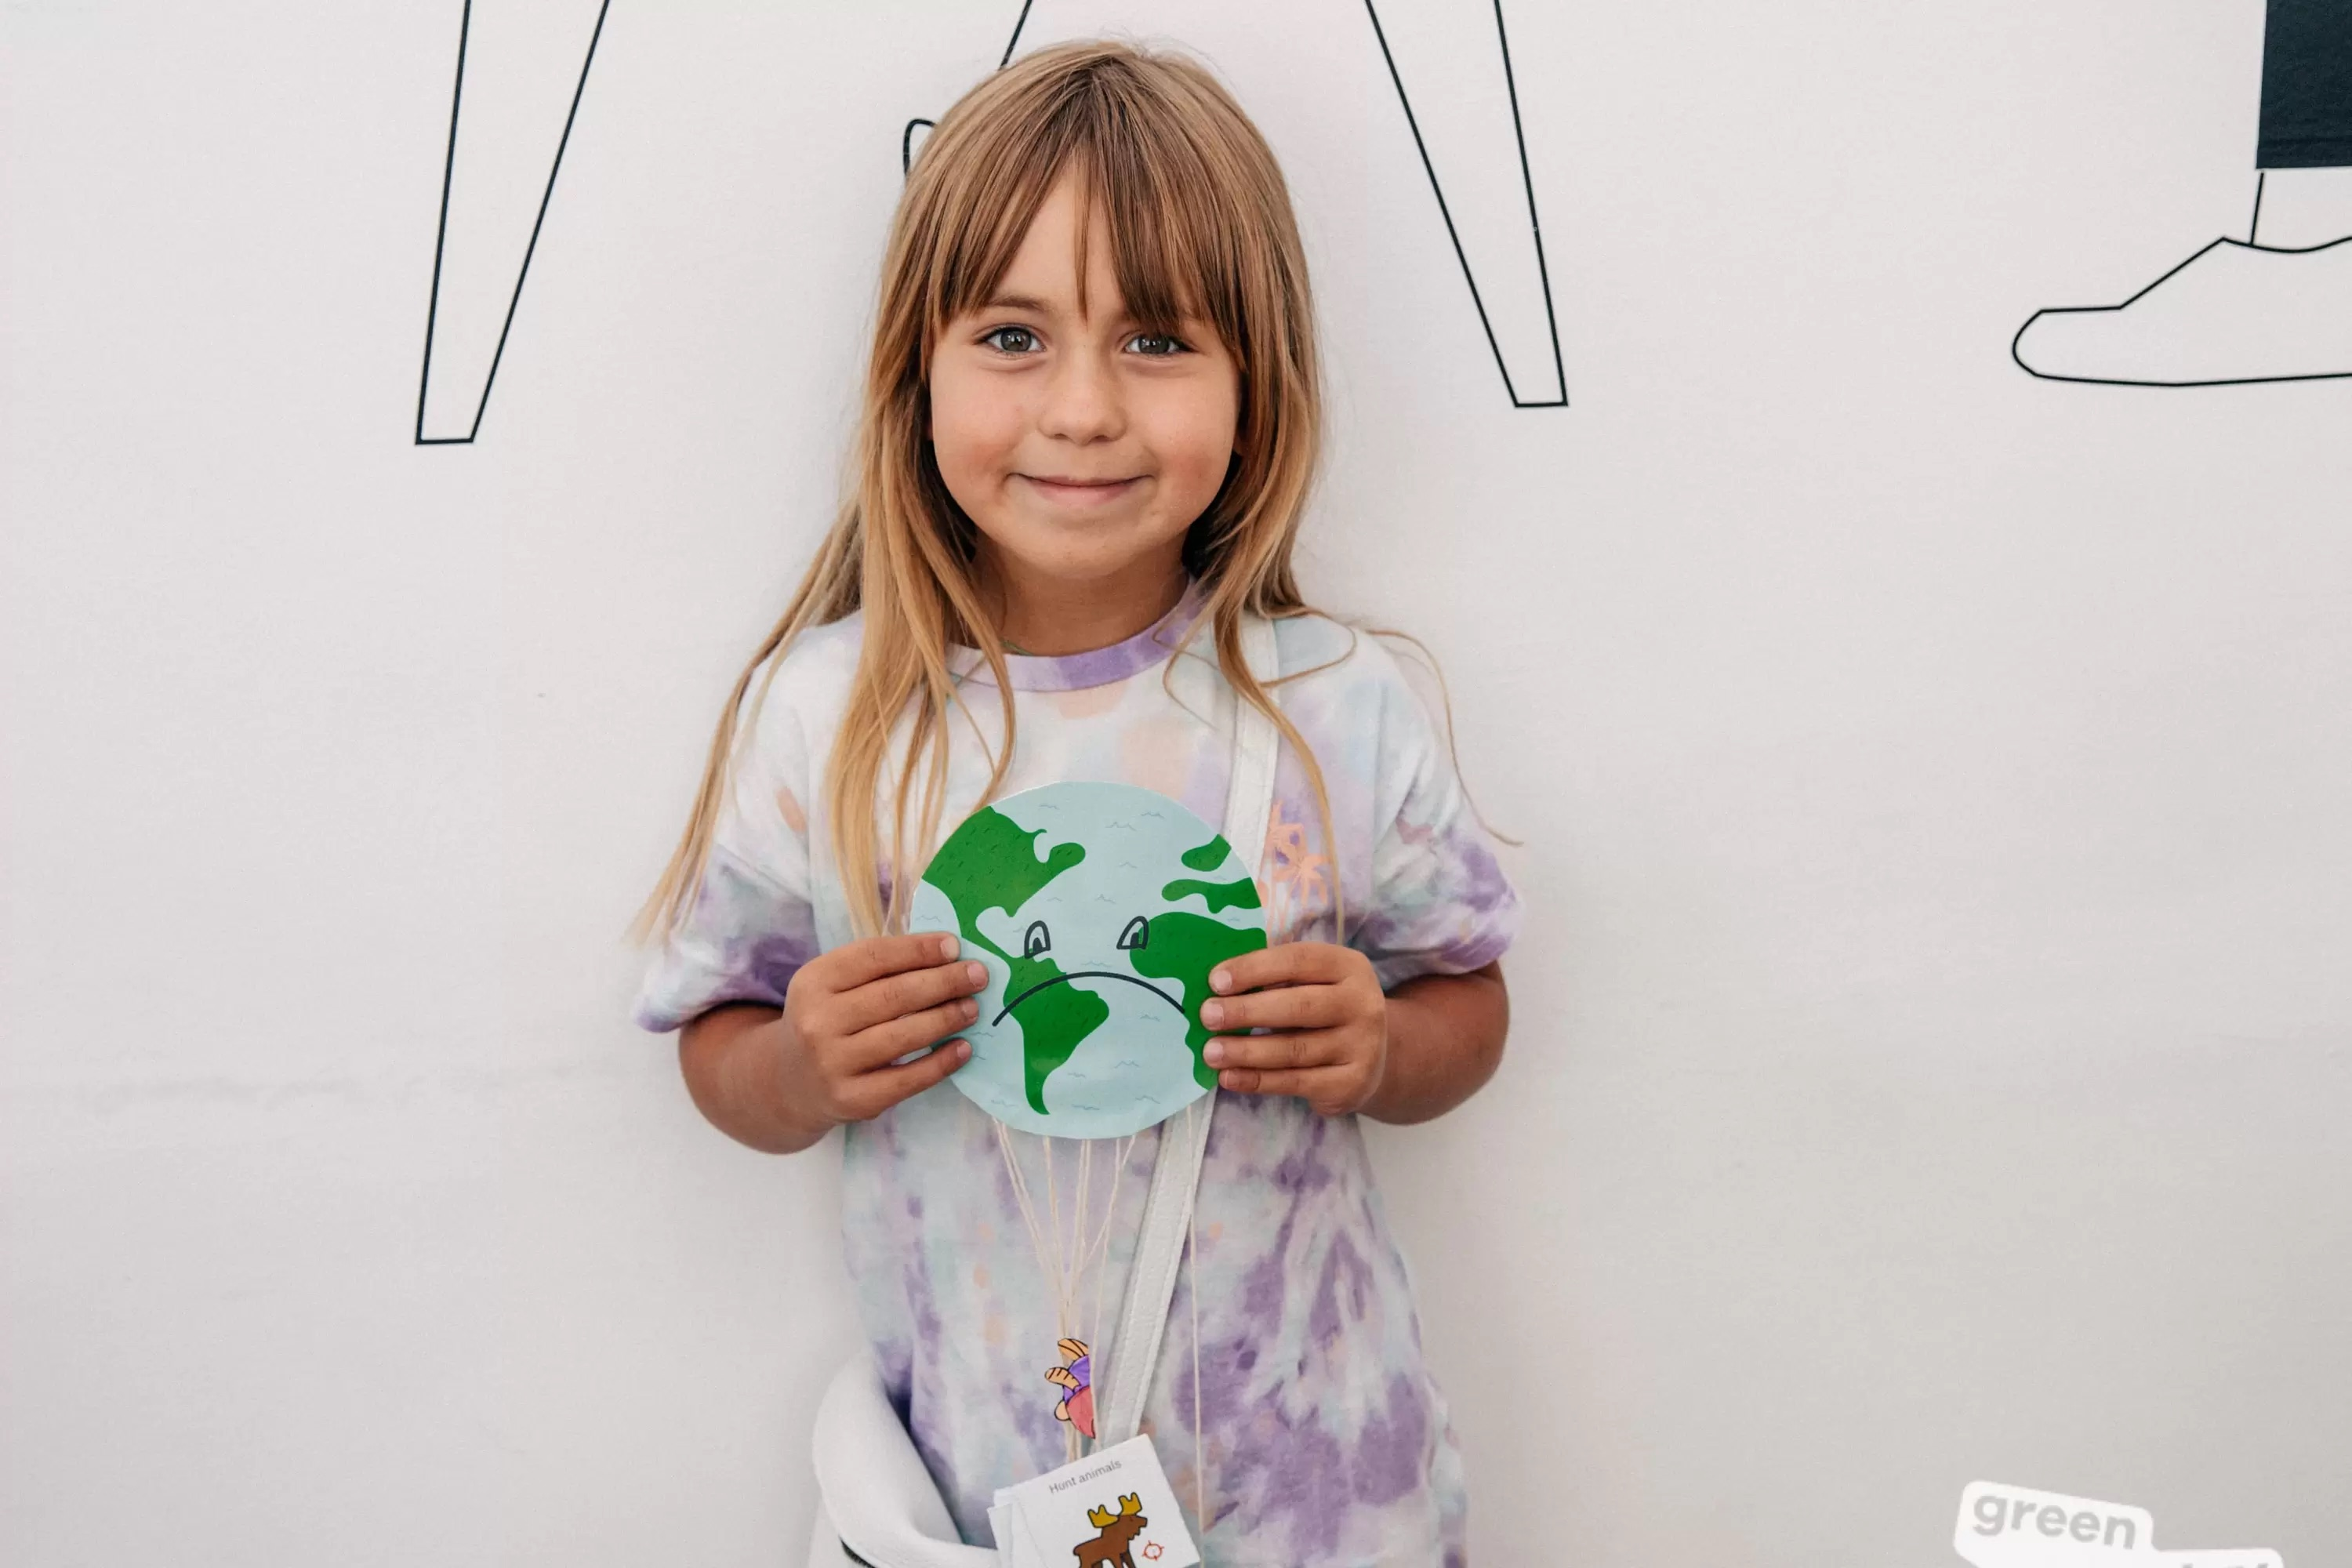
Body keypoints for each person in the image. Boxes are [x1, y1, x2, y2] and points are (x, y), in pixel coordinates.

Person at [629, 39, 1520, 1566]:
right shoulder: (831, 720)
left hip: (1329, 1495)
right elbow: (720, 1039)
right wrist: (799, 1067)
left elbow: (1470, 1000)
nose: (1086, 407)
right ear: (916, 371)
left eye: (1159, 339)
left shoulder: (1335, 705)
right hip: (989, 1499)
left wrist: (1384, 1046)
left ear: (1258, 382)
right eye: (1013, 336)